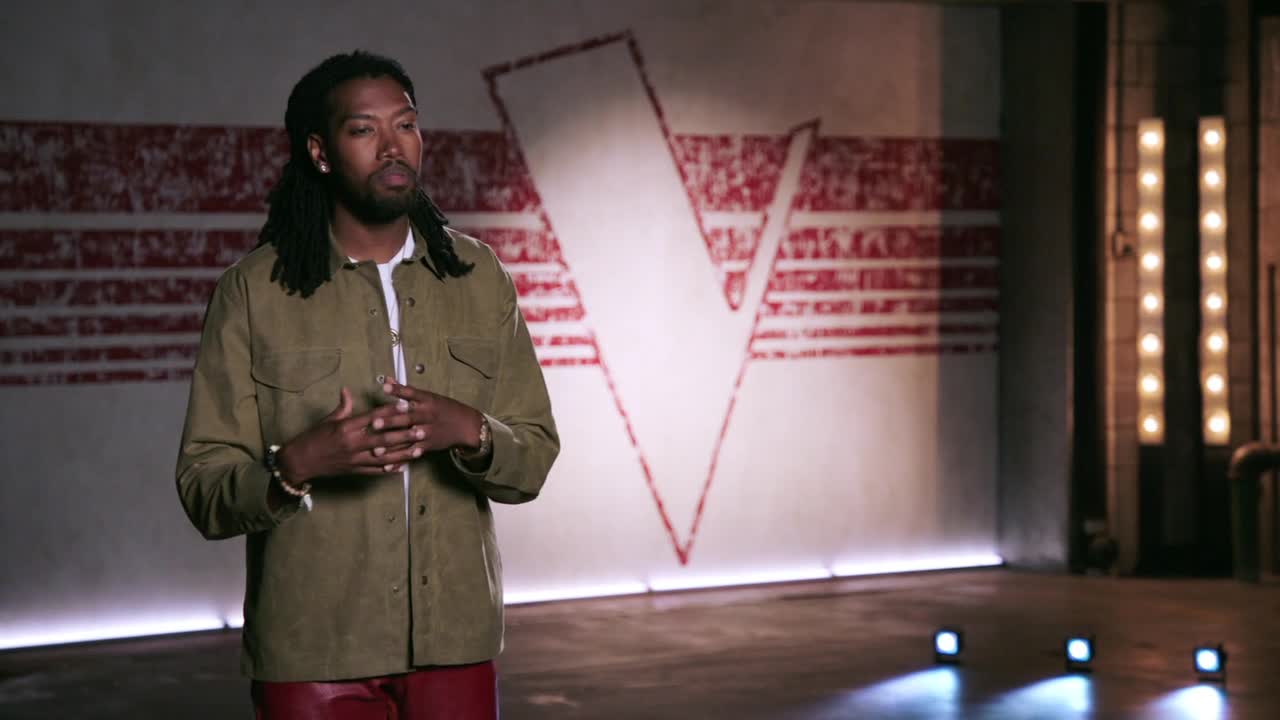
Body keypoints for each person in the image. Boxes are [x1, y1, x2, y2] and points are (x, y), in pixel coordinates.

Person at [175, 50, 559, 719]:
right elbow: (204, 487)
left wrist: (469, 430)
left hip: (456, 643)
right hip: (312, 650)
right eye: (363, 130)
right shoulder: (254, 291)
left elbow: (532, 457)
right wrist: (295, 466)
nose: (392, 146)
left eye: (406, 124)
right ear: (319, 152)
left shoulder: (479, 277)